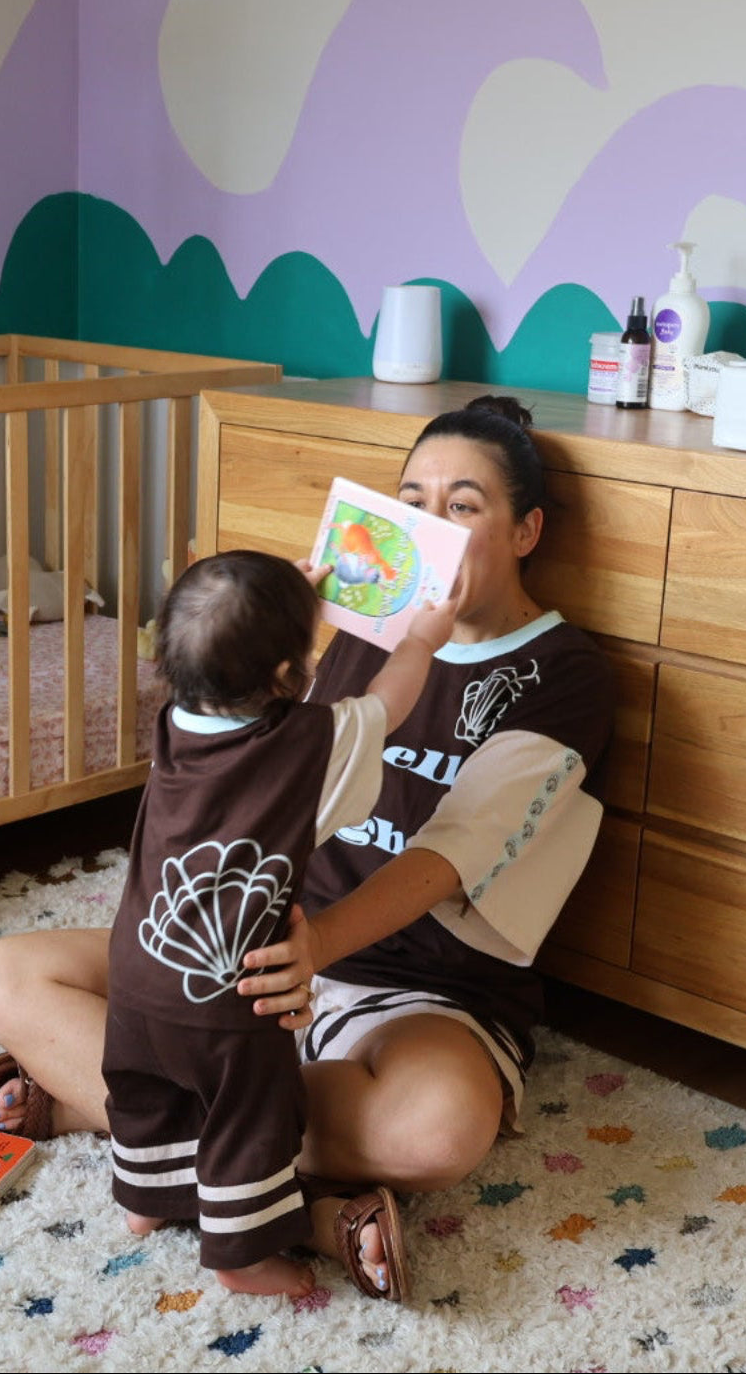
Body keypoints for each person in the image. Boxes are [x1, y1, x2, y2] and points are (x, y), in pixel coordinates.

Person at [0, 393, 615, 1303]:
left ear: (524, 530)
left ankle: (102, 1111)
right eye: (411, 500)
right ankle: (298, 1209)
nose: (428, 526)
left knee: (437, 1131)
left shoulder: (561, 672)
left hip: (417, 985)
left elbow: (454, 851)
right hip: (253, 952)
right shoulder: (349, 633)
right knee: (0, 974)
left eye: (462, 507)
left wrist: (318, 950)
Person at [103, 549, 456, 1297]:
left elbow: (231, 652)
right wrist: (422, 637)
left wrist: (276, 605)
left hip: (136, 965)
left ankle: (144, 1201)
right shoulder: (307, 740)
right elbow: (388, 700)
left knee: (144, 1084)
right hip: (231, 990)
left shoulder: (173, 724)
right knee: (251, 1113)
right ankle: (241, 1254)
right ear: (288, 678)